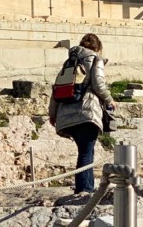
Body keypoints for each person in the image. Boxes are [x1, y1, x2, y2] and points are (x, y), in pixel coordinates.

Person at [49, 33, 117, 194]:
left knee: (84, 152)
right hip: (87, 112)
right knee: (86, 153)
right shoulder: (95, 59)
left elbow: (57, 88)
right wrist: (110, 100)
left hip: (67, 112)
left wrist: (53, 113)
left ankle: (84, 188)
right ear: (98, 47)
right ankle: (85, 190)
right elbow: (98, 84)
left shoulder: (69, 61)